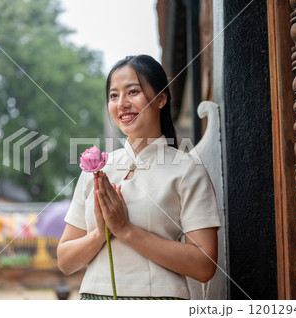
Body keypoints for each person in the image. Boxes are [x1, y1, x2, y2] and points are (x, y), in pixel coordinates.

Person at [57, 55, 221, 300]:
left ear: (161, 99)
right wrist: (100, 234)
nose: (122, 103)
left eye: (133, 91)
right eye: (114, 95)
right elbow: (65, 261)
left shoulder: (186, 169)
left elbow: (204, 265)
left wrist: (126, 230)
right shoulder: (97, 169)